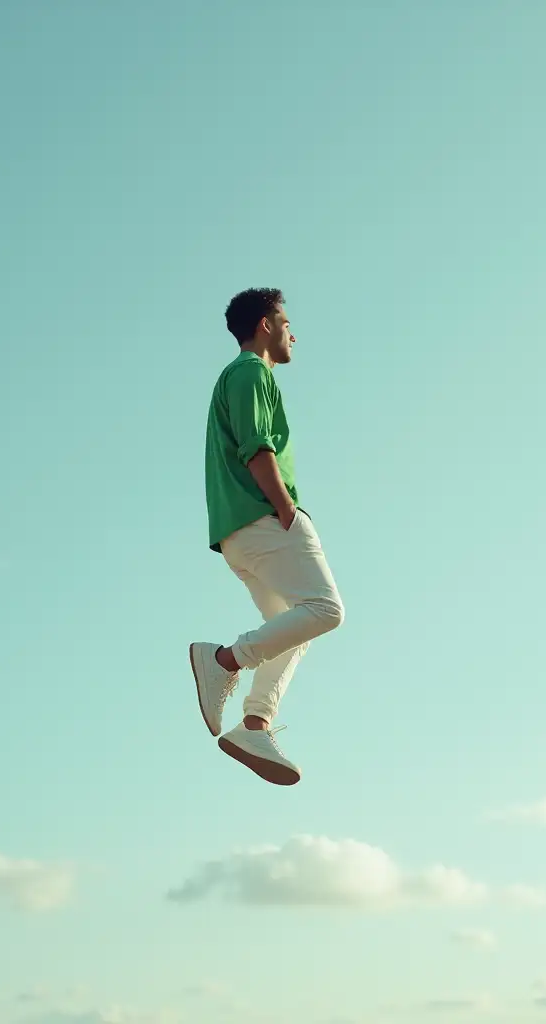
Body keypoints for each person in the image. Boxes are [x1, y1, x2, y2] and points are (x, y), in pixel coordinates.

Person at [189, 288, 345, 786]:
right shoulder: (251, 372)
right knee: (325, 610)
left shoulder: (238, 377)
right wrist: (285, 510)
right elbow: (257, 448)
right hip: (263, 520)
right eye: (285, 321)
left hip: (238, 533)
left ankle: (255, 724)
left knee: (290, 628)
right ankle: (223, 660)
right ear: (264, 325)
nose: (291, 333)